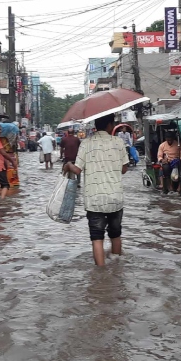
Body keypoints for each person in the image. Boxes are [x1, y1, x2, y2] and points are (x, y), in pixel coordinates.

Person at [63, 114, 129, 266]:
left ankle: (100, 275)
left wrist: (68, 165)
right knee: (115, 234)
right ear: (109, 125)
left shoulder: (86, 143)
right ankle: (117, 267)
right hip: (115, 197)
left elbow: (77, 170)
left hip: (94, 199)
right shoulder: (118, 142)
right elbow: (124, 169)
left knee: (97, 237)